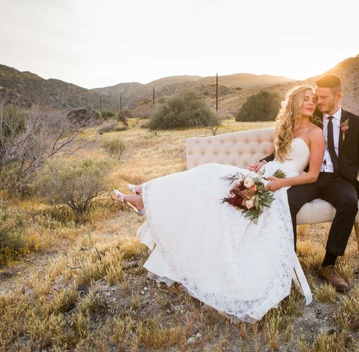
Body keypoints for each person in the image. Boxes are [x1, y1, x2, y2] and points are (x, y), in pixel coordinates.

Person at [115, 85, 324, 323]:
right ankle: (149, 192)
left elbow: (313, 175)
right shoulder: (283, 127)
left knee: (219, 193)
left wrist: (279, 184)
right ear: (295, 101)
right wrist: (259, 165)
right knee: (211, 174)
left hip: (280, 184)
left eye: (314, 100)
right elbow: (272, 157)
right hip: (261, 177)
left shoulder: (315, 133)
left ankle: (146, 198)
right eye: (306, 99)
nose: (311, 103)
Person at [253, 74, 359, 292]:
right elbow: (285, 148)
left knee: (349, 202)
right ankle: (288, 263)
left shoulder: (356, 123)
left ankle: (329, 265)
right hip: (308, 177)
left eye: (322, 97)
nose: (317, 102)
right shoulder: (311, 116)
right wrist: (263, 161)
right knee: (287, 202)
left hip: (339, 180)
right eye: (315, 97)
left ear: (338, 96)